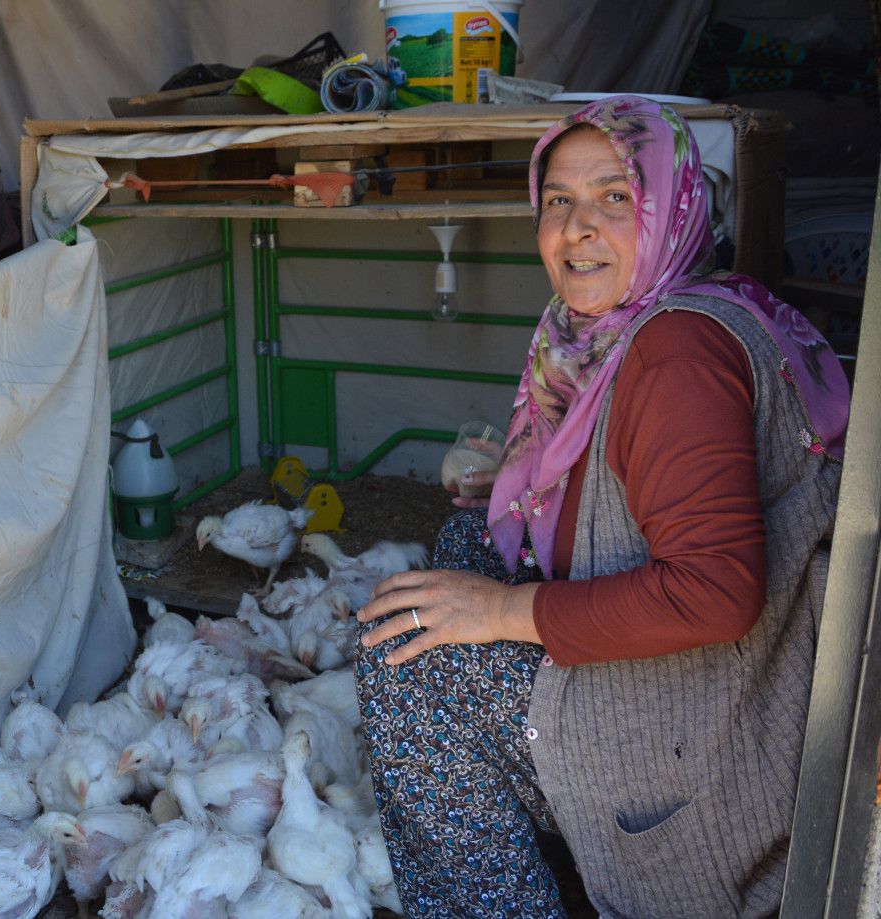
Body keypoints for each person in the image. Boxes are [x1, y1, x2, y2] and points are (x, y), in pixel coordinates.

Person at [355, 95, 850, 918]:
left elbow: (716, 591)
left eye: (614, 196)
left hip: (708, 738)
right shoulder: (672, 308)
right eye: (558, 201)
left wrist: (502, 610)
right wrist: (523, 488)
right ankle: (536, 852)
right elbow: (649, 474)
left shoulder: (676, 352)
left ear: (668, 206)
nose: (577, 228)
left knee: (403, 655)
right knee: (465, 541)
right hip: (718, 684)